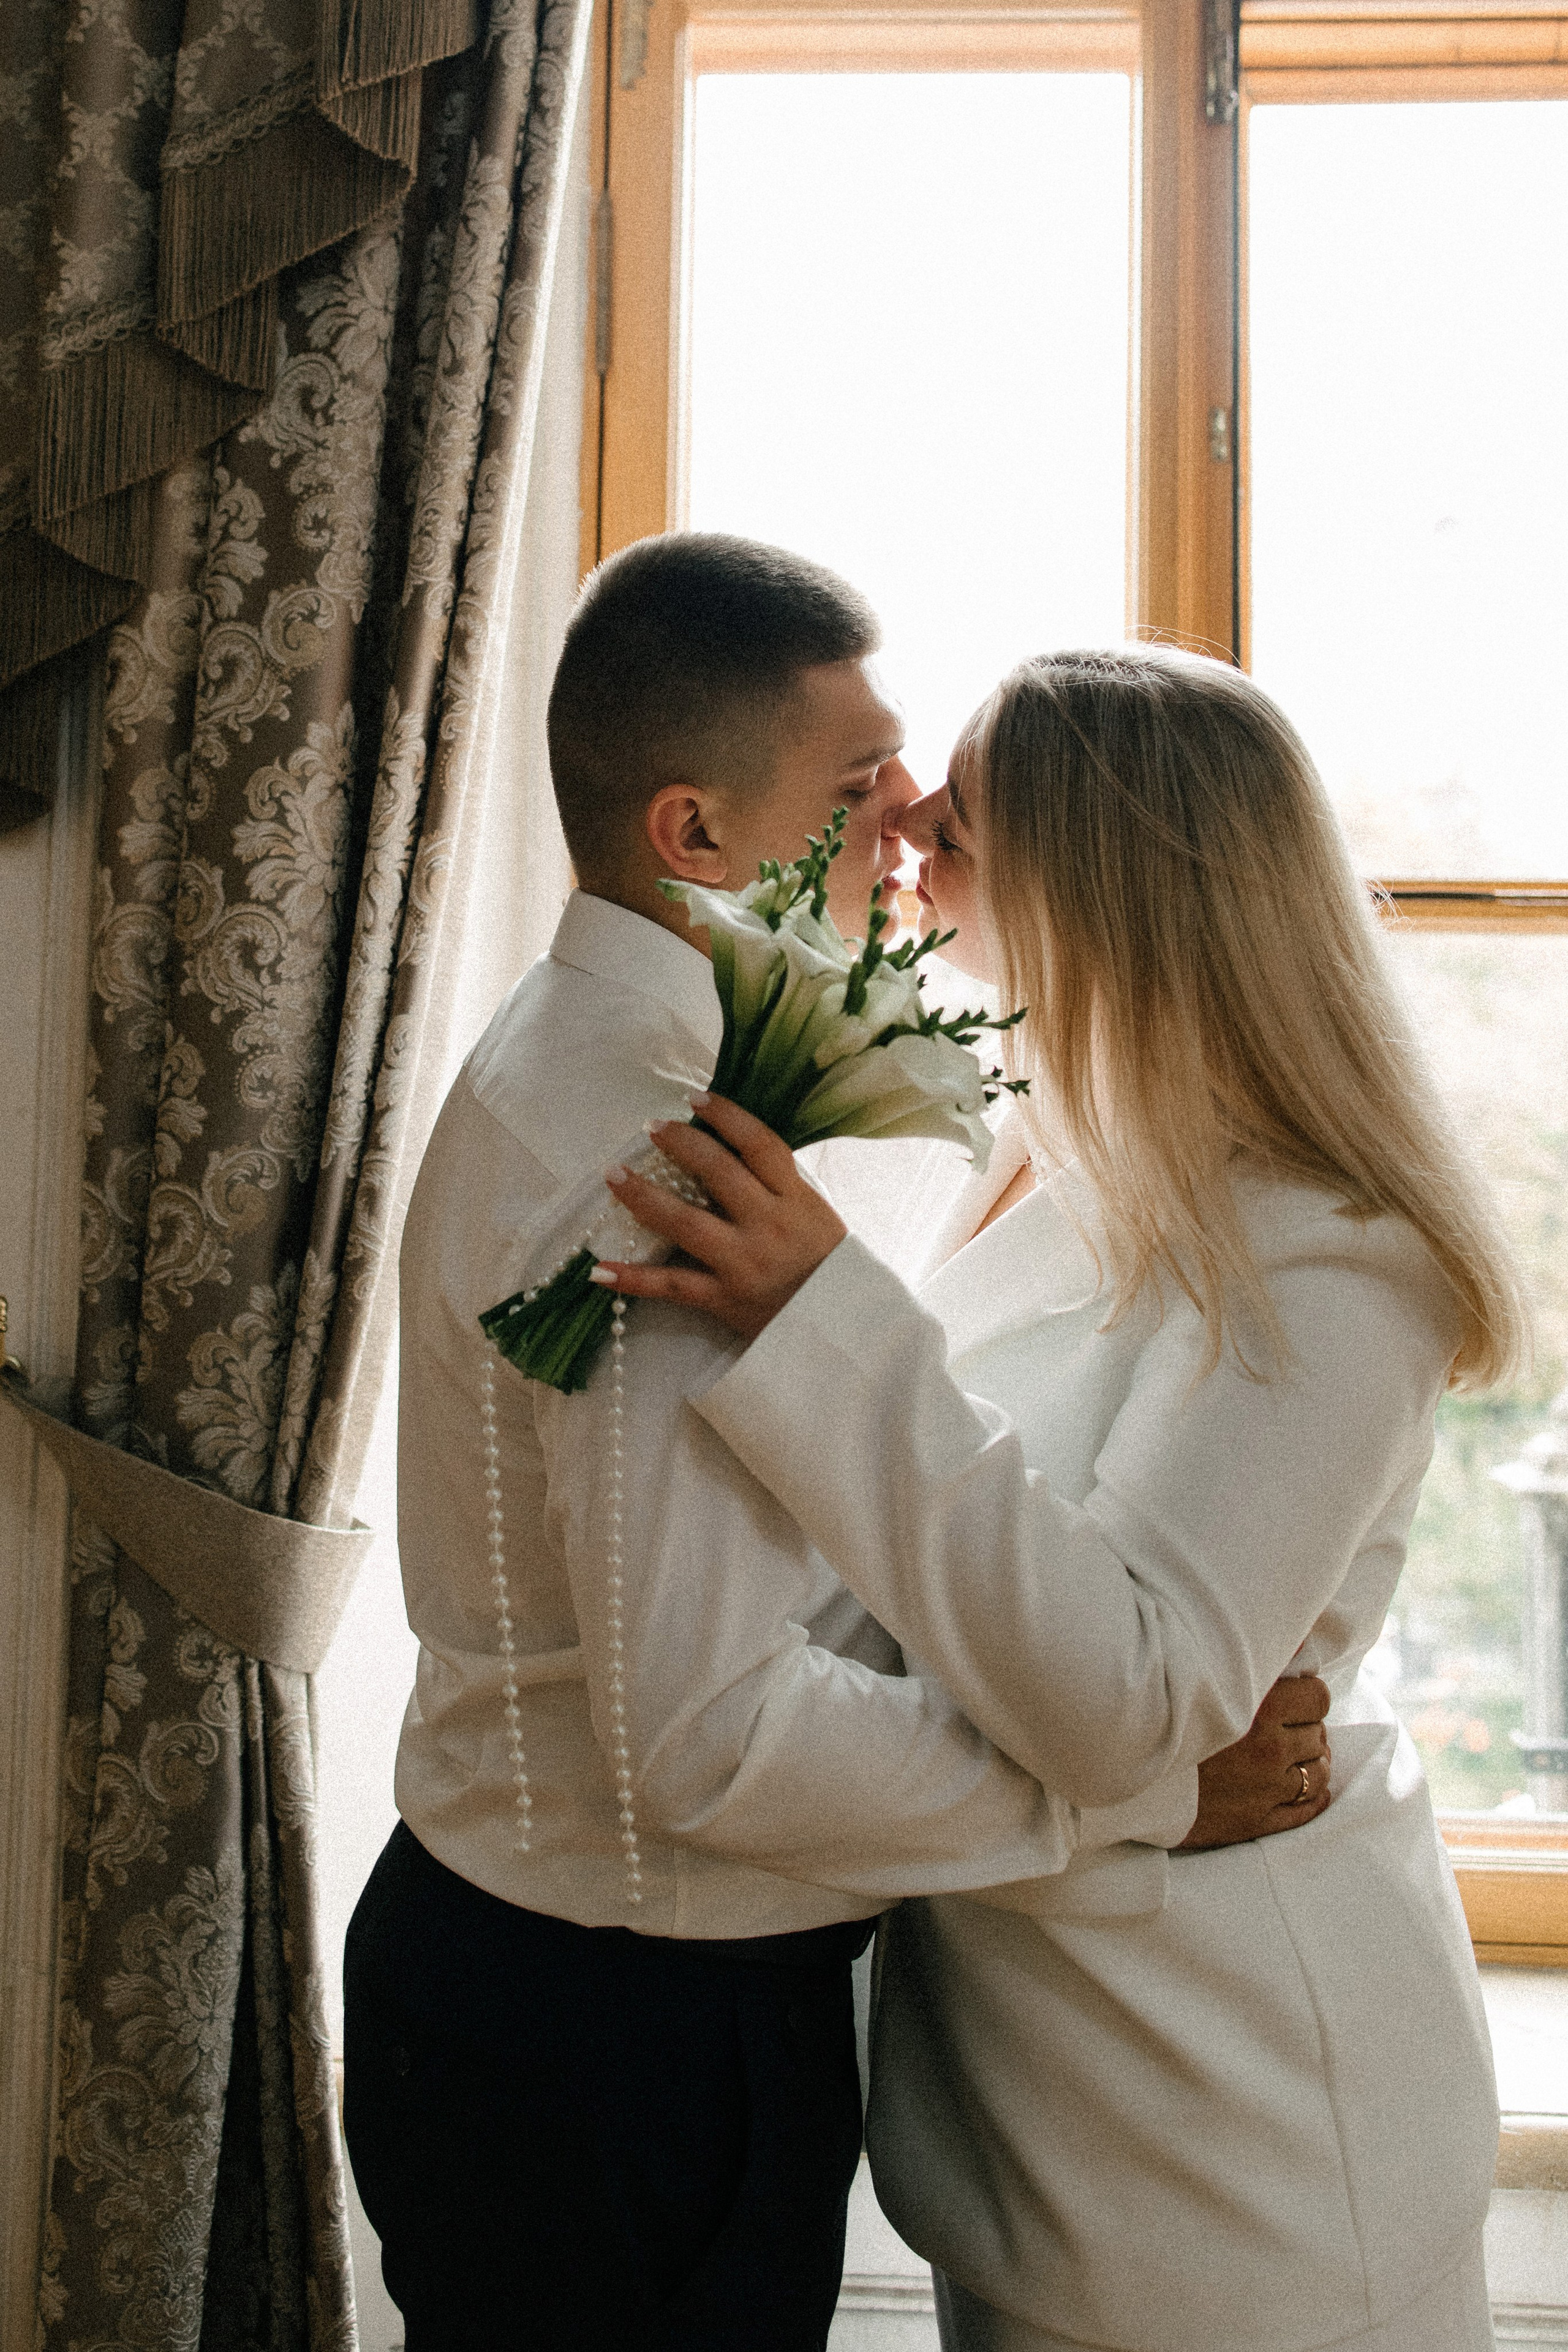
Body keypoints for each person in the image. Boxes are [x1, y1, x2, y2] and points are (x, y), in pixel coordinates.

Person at [342, 547, 1324, 2351]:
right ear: (698, 834)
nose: (913, 824)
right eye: (859, 791)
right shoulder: (652, 1156)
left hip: (550, 1993)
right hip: (618, 2039)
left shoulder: (610, 1052)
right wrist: (1140, 1791)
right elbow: (718, 1740)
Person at [600, 643, 1526, 2352]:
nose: (908, 828)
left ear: (1100, 890)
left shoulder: (1337, 1260)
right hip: (1034, 2104)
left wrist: (823, 1328)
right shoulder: (1030, 1147)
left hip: (1243, 2131)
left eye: (957, 814)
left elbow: (1130, 1694)